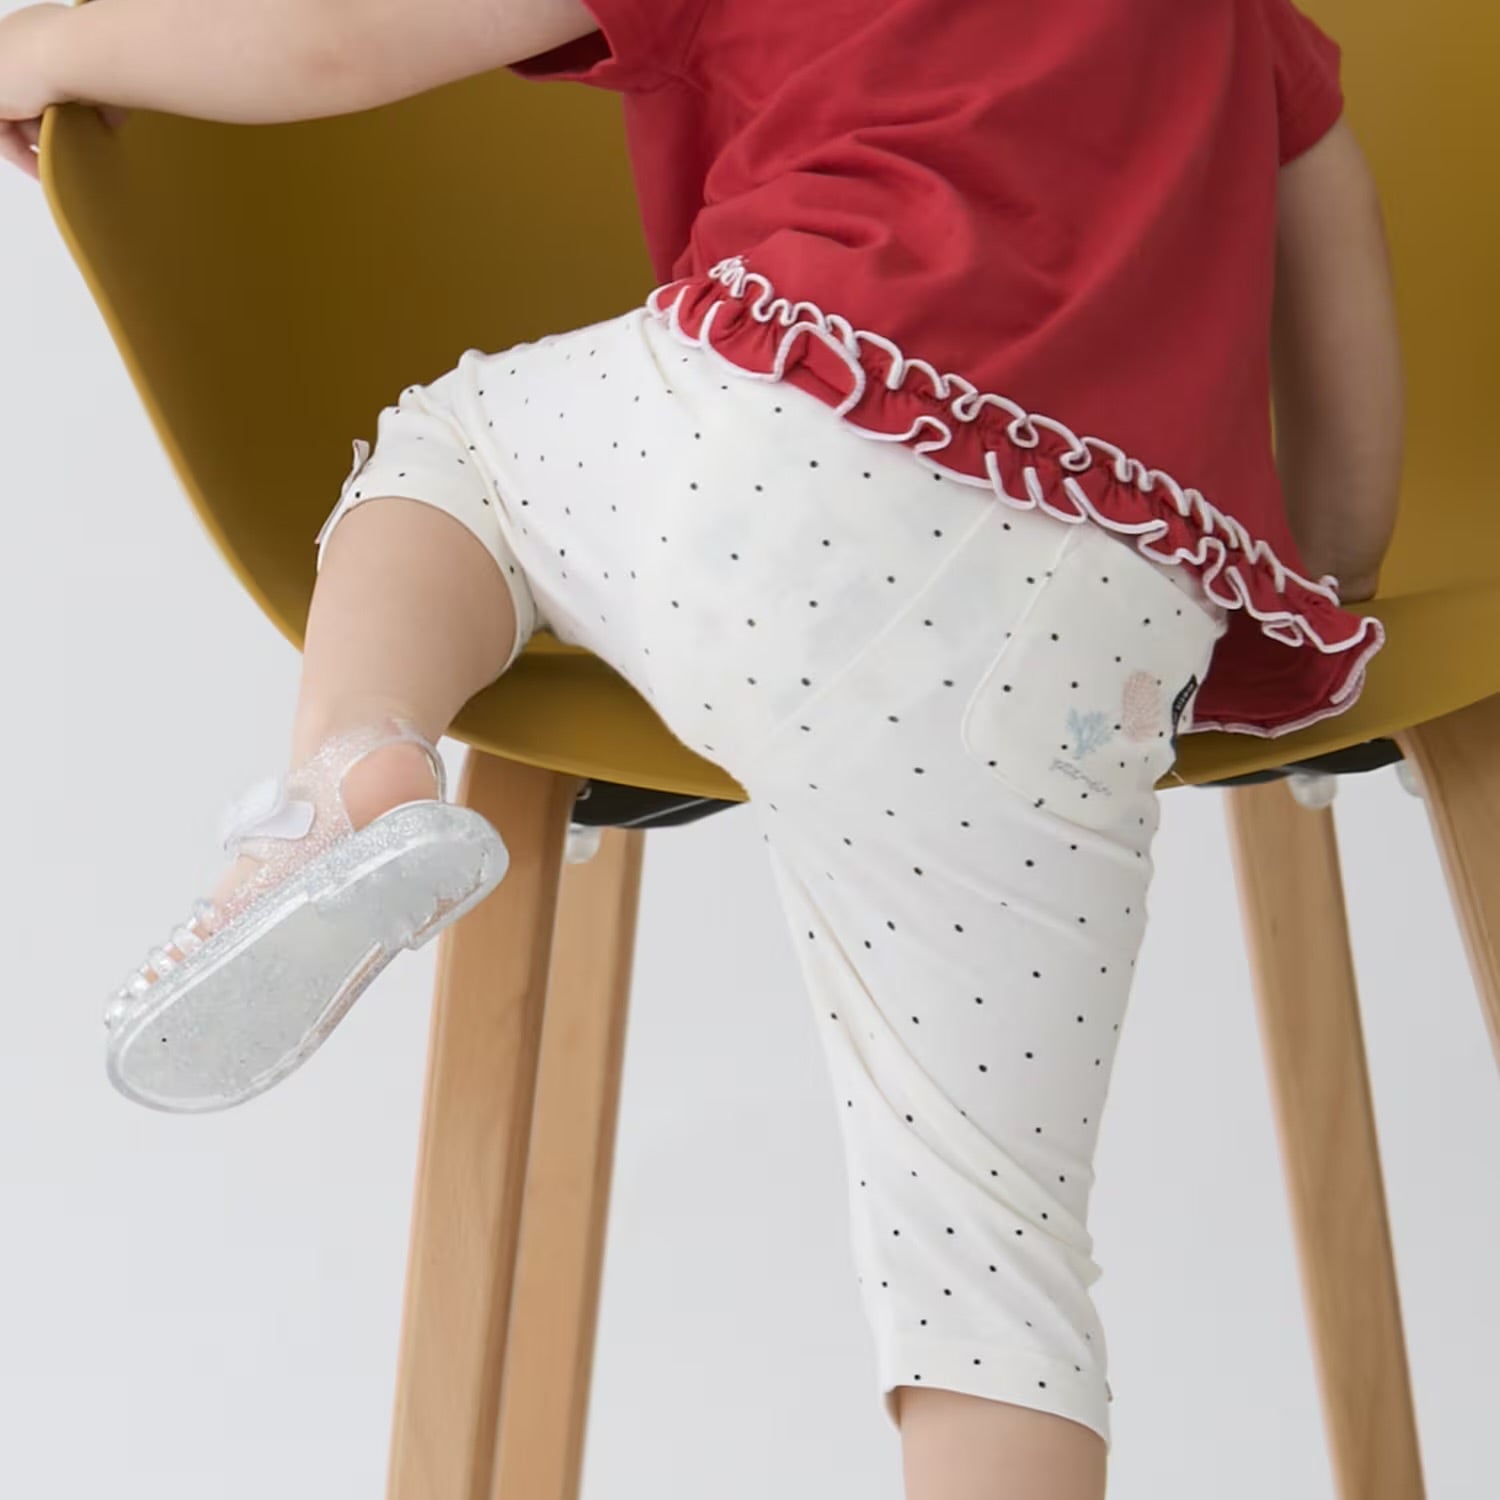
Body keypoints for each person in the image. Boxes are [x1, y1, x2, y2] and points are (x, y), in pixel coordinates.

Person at [1, 0, 1404, 1493]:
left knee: (457, 453)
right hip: (1089, 623)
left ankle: (353, 771)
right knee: (992, 1261)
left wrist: (57, 49)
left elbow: (345, 37)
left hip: (762, 460)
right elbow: (1339, 279)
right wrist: (1333, 571)